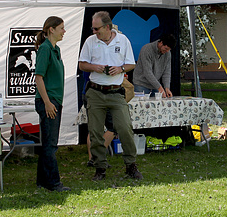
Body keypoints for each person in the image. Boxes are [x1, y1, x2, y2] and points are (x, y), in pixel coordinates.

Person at [78, 11, 142, 181]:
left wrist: (120, 69)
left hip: (115, 92)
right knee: (95, 132)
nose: (94, 32)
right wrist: (94, 67)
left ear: (107, 27)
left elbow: (131, 64)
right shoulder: (90, 41)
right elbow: (82, 64)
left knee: (125, 128)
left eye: (97, 29)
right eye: (93, 28)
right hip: (95, 92)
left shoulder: (123, 40)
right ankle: (100, 167)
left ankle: (131, 165)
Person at [33, 16, 70, 192]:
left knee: (48, 142)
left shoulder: (56, 49)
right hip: (49, 101)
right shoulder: (45, 49)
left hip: (55, 100)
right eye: (61, 28)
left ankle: (42, 180)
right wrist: (47, 102)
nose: (64, 31)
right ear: (51, 29)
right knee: (51, 144)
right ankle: (54, 183)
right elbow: (38, 77)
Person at [133, 34, 176, 98]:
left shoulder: (167, 53)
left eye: (168, 50)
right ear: (161, 43)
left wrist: (167, 88)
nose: (166, 51)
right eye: (166, 49)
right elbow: (147, 72)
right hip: (141, 84)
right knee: (141, 106)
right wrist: (160, 88)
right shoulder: (146, 49)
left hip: (155, 86)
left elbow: (166, 72)